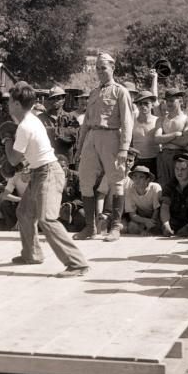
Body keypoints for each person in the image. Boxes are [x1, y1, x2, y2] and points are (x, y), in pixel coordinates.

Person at [2, 81, 88, 276]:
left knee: (47, 219)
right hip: (41, 172)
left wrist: (6, 139)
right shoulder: (31, 120)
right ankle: (31, 254)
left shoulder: (25, 126)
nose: (7, 105)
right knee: (24, 212)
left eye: (10, 101)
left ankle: (77, 263)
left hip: (48, 172)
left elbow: (13, 158)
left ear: (16, 104)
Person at [73, 52, 134, 241]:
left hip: (111, 136)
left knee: (116, 180)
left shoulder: (120, 91)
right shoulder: (93, 93)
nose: (100, 71)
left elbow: (127, 122)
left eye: (103, 67)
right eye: (98, 68)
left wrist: (124, 148)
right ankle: (90, 227)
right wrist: (80, 147)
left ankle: (115, 226)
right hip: (92, 136)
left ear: (113, 68)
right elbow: (86, 123)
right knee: (85, 179)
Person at [153, 88, 188, 190]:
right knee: (163, 187)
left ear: (180, 100)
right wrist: (175, 134)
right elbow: (157, 139)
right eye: (167, 101)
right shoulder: (161, 119)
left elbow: (185, 142)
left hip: (181, 157)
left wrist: (165, 138)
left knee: (180, 186)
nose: (169, 103)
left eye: (172, 100)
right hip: (164, 157)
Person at [124, 165, 163, 234]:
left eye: (141, 177)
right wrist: (145, 221)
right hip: (141, 219)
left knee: (158, 228)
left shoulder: (155, 187)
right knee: (132, 227)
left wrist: (150, 224)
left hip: (156, 218)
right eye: (135, 176)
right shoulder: (129, 190)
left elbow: (157, 210)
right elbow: (132, 214)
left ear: (147, 179)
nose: (137, 179)